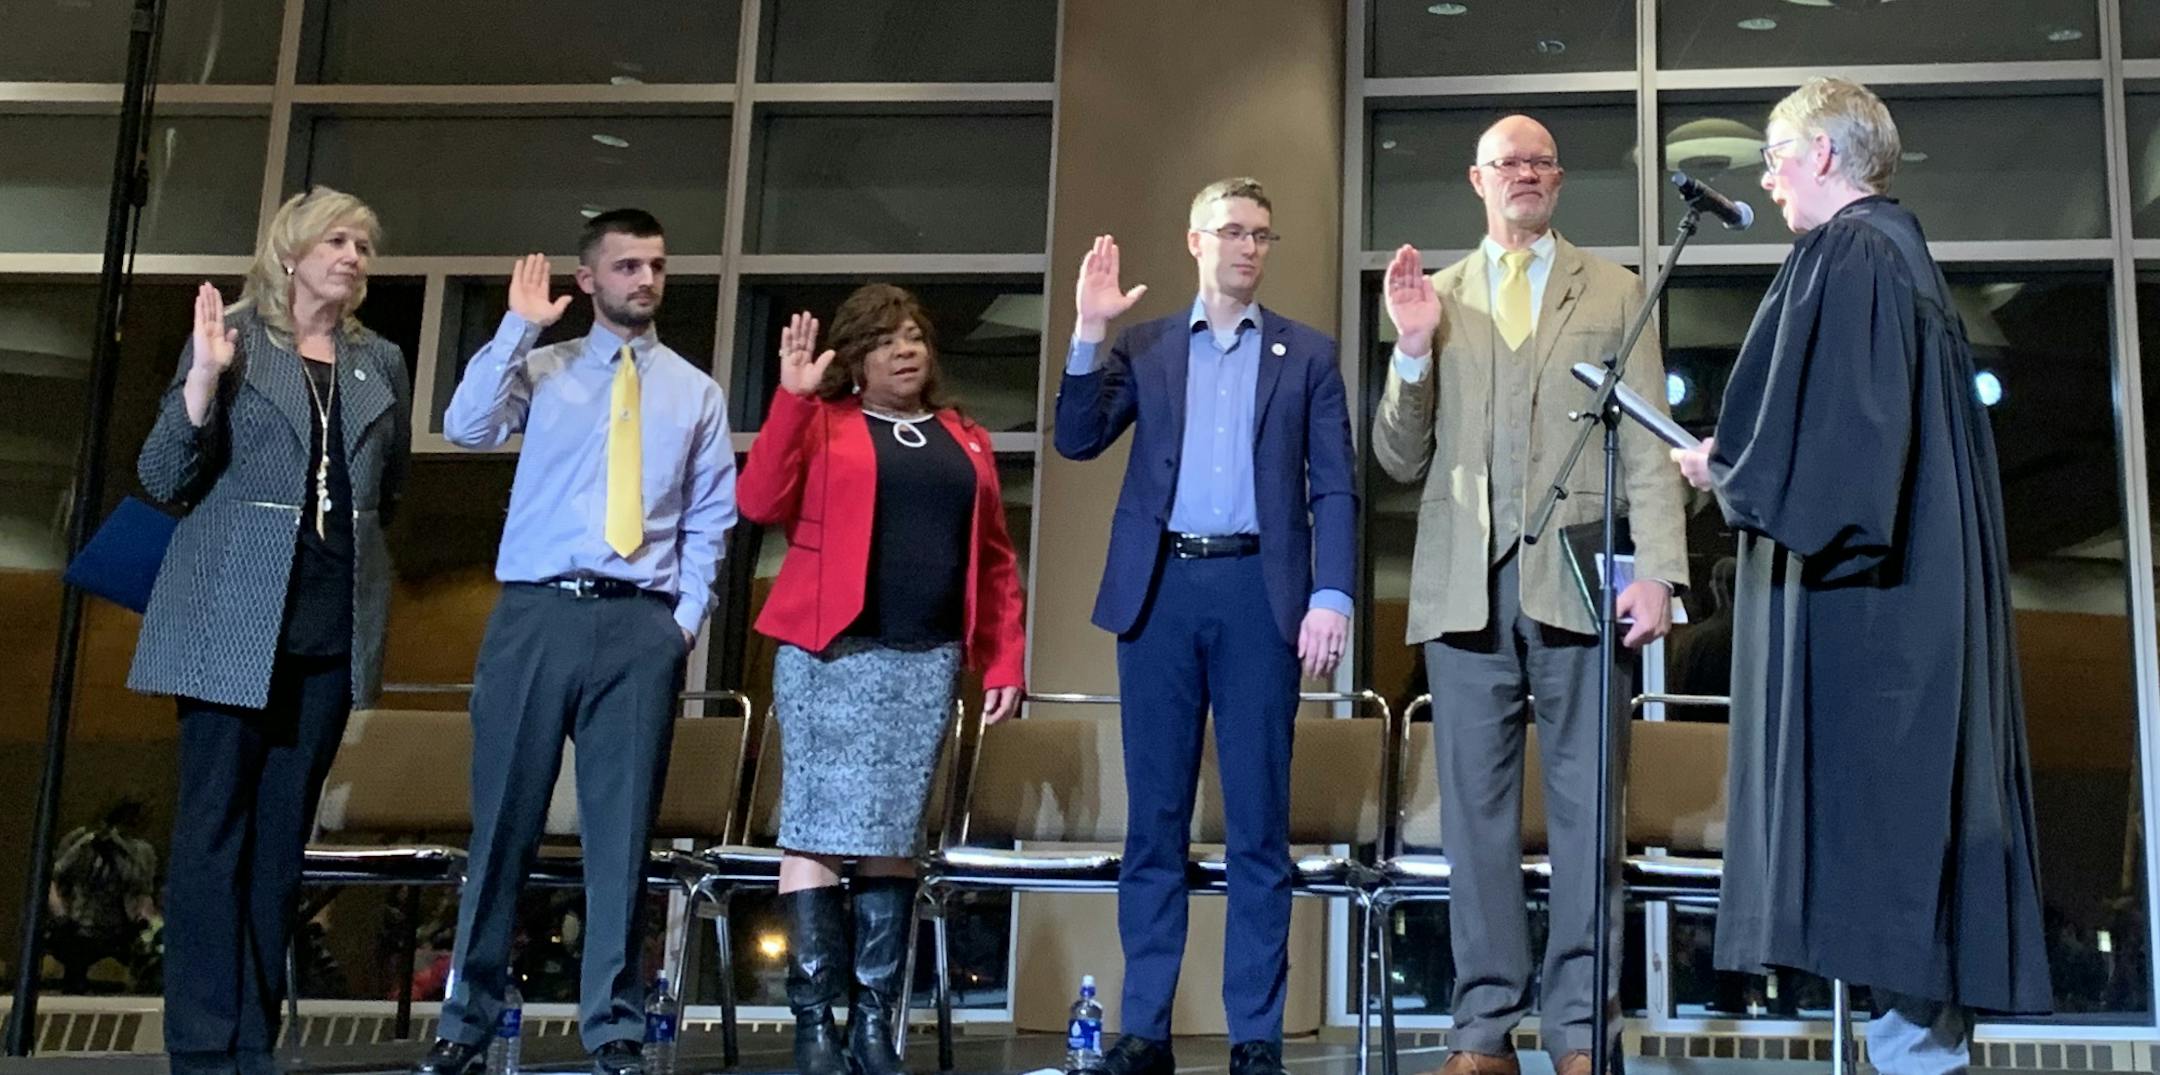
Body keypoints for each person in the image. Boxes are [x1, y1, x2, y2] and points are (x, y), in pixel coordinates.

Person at [1671, 77, 2050, 1073]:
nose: (1764, 174)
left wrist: (1730, 472)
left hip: (1877, 631)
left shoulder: (1855, 256)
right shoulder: (1892, 258)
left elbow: (1847, 470)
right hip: (1905, 613)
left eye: (1775, 153)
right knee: (1895, 895)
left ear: (1826, 156)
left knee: (1887, 873)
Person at [1371, 115, 1689, 1075]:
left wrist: (1664, 572)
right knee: (1475, 821)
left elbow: (1649, 440)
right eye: (1508, 163)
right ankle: (1482, 1031)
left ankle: (1583, 1028)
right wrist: (1413, 352)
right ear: (1477, 179)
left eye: (1540, 162)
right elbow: (1397, 456)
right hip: (1464, 588)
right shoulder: (1441, 296)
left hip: (1582, 584)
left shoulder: (1618, 290)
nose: (1525, 175)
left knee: (1590, 815)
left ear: (1558, 179)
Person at [413, 209, 738, 1075]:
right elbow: (467, 425)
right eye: (627, 265)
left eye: (657, 266)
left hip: (640, 622)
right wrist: (519, 325)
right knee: (505, 826)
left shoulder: (695, 391)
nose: (646, 280)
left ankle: (614, 1027)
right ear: (589, 278)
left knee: (621, 833)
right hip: (537, 614)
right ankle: (467, 1019)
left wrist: (683, 622)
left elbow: (711, 520)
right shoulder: (545, 367)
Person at [1054, 177, 1356, 1075]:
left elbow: (1333, 484)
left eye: (1262, 234)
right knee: (1155, 822)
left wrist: (1332, 593)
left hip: (1260, 596)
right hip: (1161, 592)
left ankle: (1254, 1037)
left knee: (1260, 824)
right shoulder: (1144, 345)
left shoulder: (1306, 355)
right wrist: (1086, 332)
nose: (1249, 248)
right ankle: (1143, 1028)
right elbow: (1075, 438)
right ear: (1196, 241)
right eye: (1232, 231)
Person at [129, 186, 410, 1075]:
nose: (354, 257)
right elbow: (164, 472)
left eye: (365, 244)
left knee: (282, 840)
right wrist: (204, 380)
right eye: (338, 240)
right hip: (229, 615)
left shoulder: (382, 361)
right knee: (215, 829)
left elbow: (387, 492)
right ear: (291, 250)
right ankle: (203, 1041)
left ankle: (253, 1039)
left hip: (330, 622)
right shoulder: (238, 337)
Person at [738, 283, 1026, 1075]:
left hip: (924, 658)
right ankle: (812, 1025)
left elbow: (996, 558)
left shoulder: (963, 437)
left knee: (892, 836)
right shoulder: (825, 422)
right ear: (855, 357)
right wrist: (791, 404)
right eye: (887, 340)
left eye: (916, 337)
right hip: (828, 655)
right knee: (817, 828)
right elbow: (758, 499)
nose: (907, 350)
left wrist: (1005, 656)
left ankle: (871, 1022)